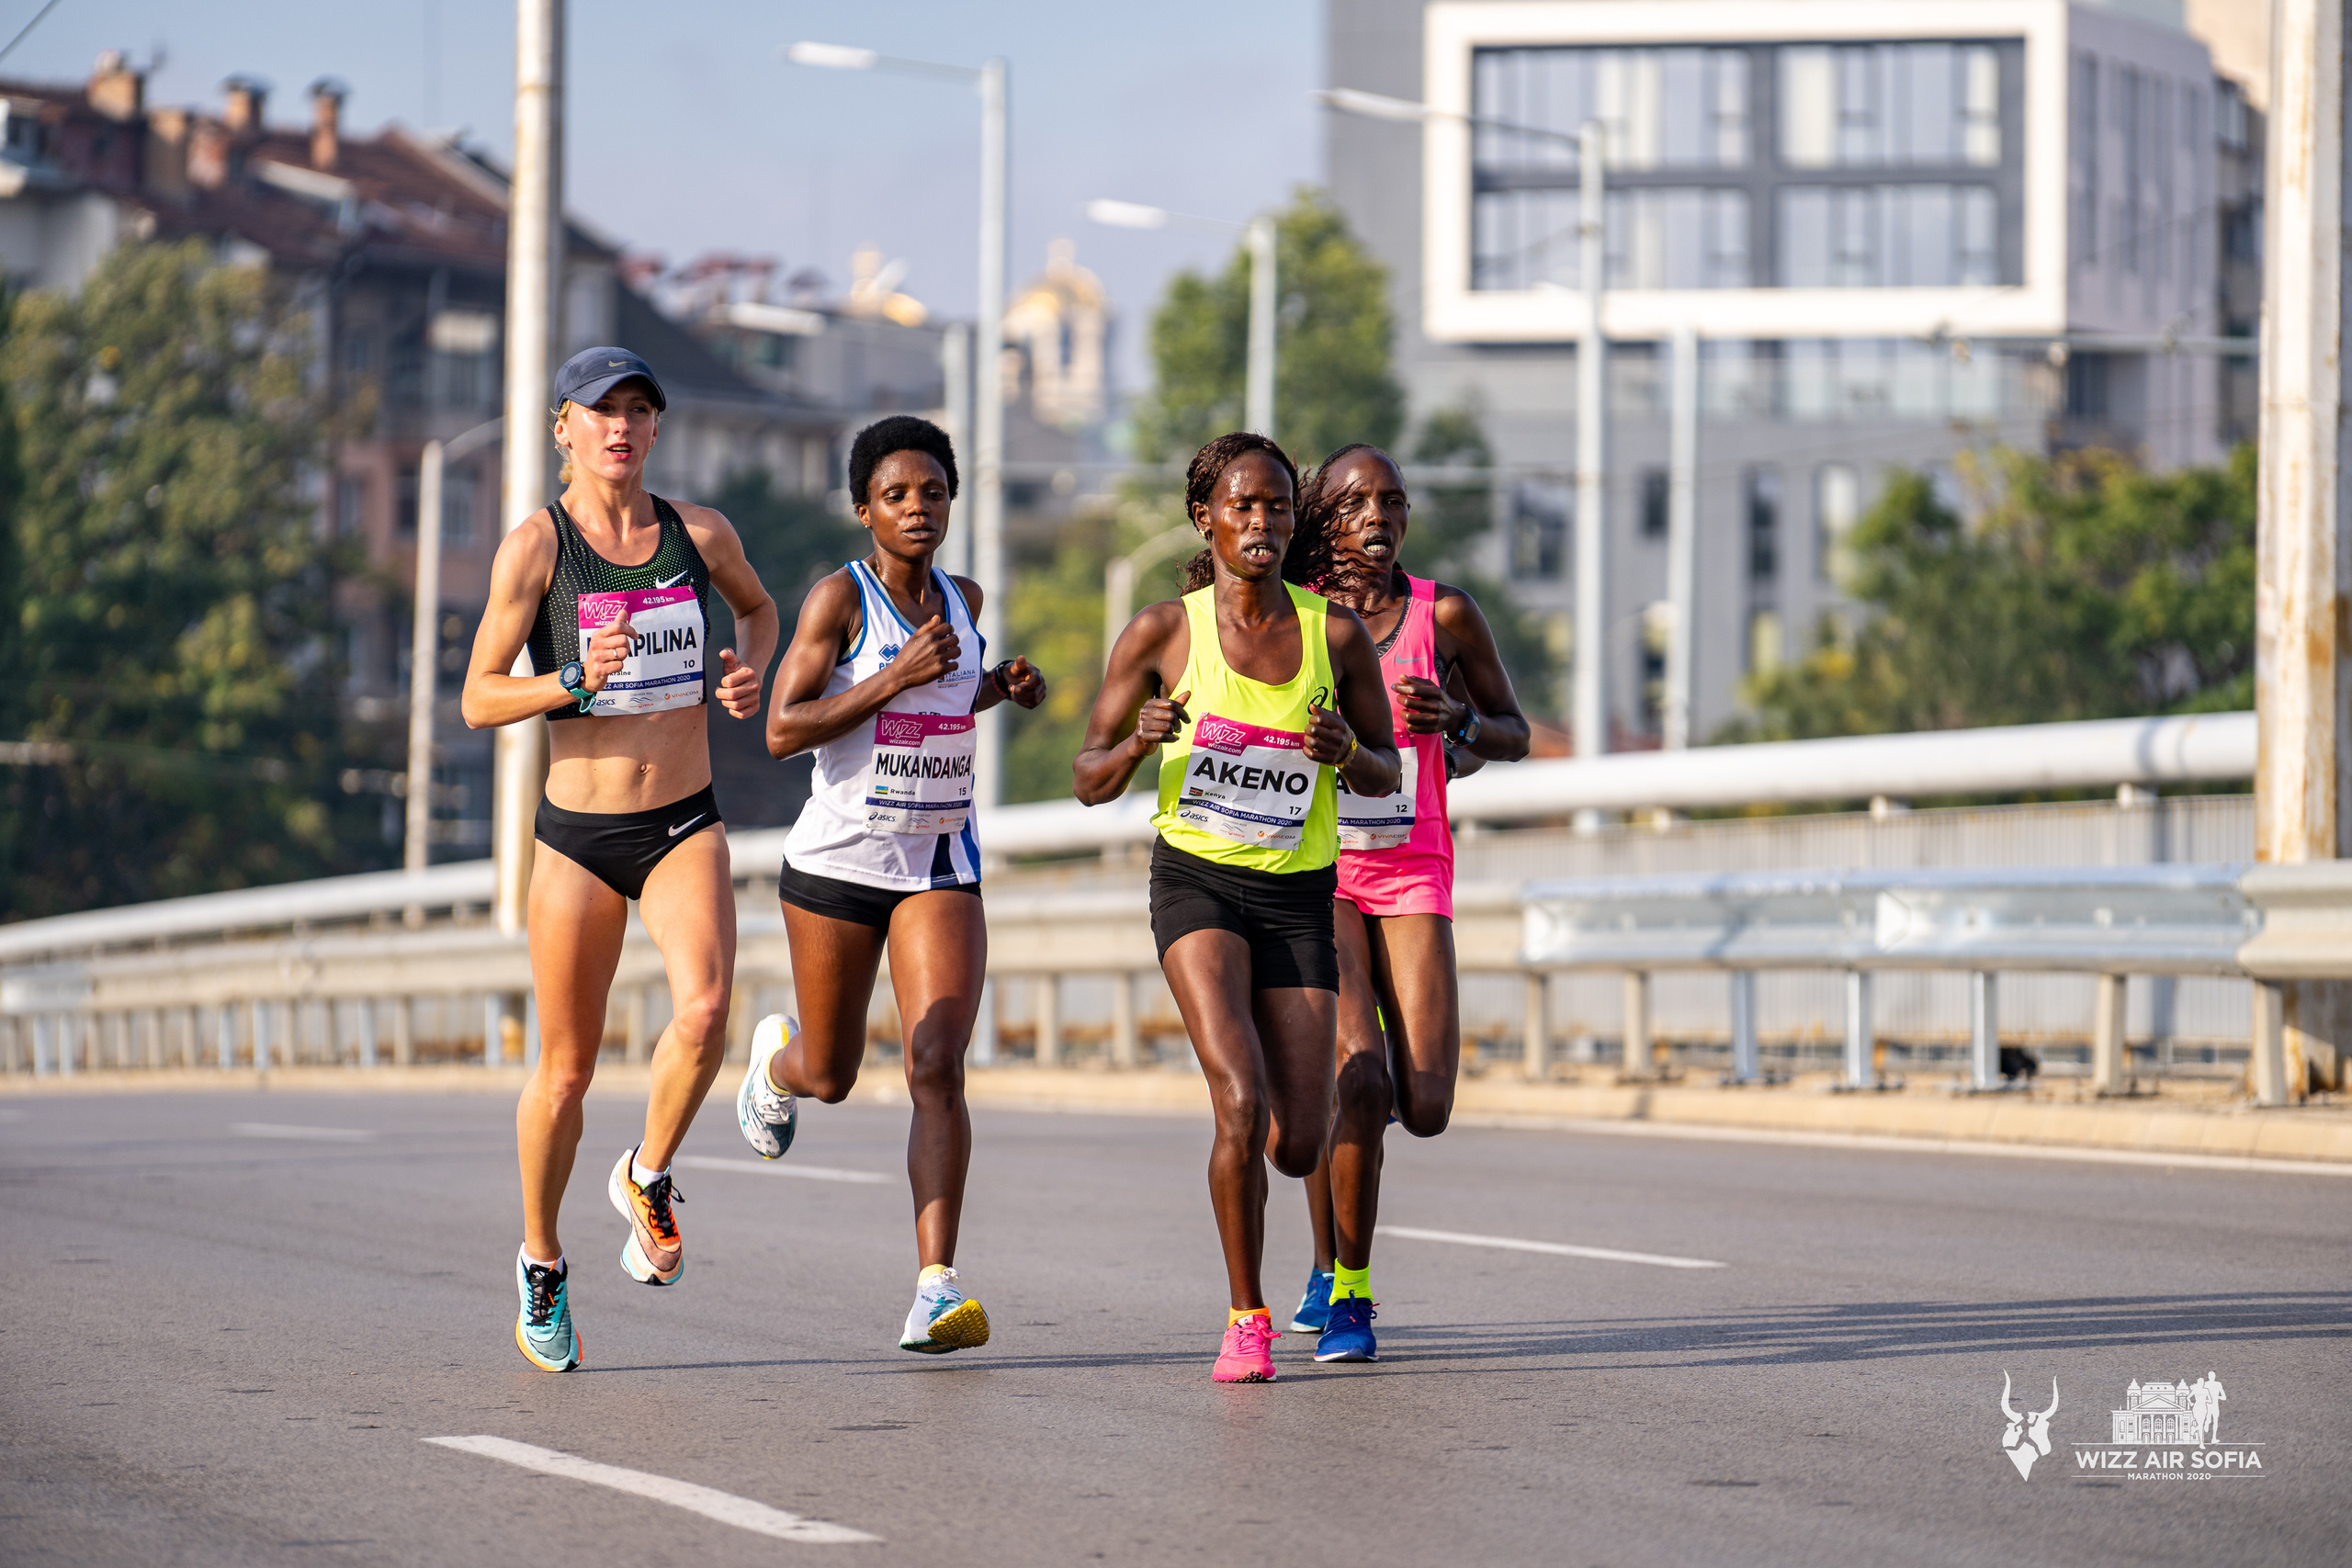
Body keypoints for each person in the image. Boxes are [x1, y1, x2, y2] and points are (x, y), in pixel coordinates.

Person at [461, 346, 779, 1373]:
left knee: (703, 1012)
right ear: (563, 428)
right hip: (580, 839)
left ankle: (647, 1172)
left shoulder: (698, 533)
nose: (621, 428)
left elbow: (759, 609)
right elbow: (476, 697)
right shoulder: (535, 550)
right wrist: (566, 677)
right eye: (602, 411)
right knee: (565, 1072)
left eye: (639, 411)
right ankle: (542, 1263)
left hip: (684, 817)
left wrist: (749, 674)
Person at [1074, 432, 1400, 1382]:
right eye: (1242, 505)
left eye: (1277, 508)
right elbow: (1089, 781)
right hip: (1198, 882)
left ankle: (1314, 1259)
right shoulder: (1161, 633)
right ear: (1204, 518)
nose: (1260, 522)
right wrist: (1135, 743)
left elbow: (1384, 770)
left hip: (1298, 895)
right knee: (1236, 1097)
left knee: (1298, 1136)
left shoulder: (1333, 635)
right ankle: (1245, 1316)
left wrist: (1347, 751)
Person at [735, 415, 1046, 1355]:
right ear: (863, 508)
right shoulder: (840, 600)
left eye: (934, 492)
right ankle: (775, 1064)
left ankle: (934, 1286)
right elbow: (783, 730)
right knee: (830, 1075)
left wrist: (998, 689)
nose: (918, 508)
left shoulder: (965, 596)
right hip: (837, 864)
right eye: (897, 494)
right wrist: (891, 676)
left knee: (935, 1064)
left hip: (940, 863)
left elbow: (941, 704)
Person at [1279, 446, 1530, 1363]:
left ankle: (1345, 1113)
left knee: (1421, 1103)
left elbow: (1516, 732)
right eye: (1355, 503)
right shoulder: (1293, 616)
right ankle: (1346, 1289)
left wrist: (1456, 724)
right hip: (1319, 868)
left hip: (1415, 867)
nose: (1377, 516)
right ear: (1324, 519)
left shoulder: (1444, 615)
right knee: (1359, 1073)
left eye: (1392, 501)